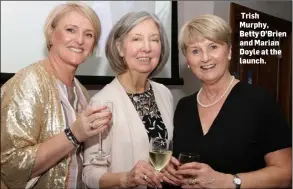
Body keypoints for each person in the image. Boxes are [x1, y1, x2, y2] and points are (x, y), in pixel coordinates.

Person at [163, 14, 292, 188]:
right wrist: (172, 170)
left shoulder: (259, 101)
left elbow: (286, 174)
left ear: (229, 51)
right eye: (195, 51)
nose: (205, 58)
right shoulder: (184, 106)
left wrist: (227, 182)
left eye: (213, 47)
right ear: (187, 60)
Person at [1, 2, 112, 188]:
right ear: (51, 35)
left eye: (89, 34)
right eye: (70, 30)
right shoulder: (28, 82)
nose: (80, 40)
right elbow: (11, 165)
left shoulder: (81, 91)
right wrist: (73, 134)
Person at [82, 11, 173, 189]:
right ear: (119, 48)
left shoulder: (164, 94)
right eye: (137, 39)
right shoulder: (102, 103)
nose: (147, 47)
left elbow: (161, 151)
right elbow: (90, 174)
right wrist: (126, 179)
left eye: (154, 39)